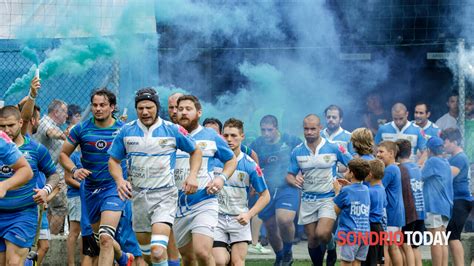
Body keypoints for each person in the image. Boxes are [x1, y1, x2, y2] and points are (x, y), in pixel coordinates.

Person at [108, 88, 202, 266]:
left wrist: (193, 176)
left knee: (158, 252)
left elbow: (195, 151)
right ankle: (131, 259)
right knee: (149, 257)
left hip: (164, 197)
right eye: (141, 108)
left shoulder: (172, 129)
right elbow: (113, 160)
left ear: (157, 108)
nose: (145, 112)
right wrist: (120, 180)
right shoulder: (126, 131)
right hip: (138, 199)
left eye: (149, 107)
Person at [59, 89, 136, 266]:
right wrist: (74, 170)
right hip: (90, 191)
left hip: (114, 188)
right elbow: (63, 154)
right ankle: (123, 258)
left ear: (112, 107)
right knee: (101, 239)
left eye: (102, 105)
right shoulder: (81, 129)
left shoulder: (124, 130)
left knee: (106, 237)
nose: (98, 109)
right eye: (94, 105)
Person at [174, 94, 237, 266]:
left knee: (202, 252)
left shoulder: (211, 135)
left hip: (204, 201)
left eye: (188, 109)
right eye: (180, 109)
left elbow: (231, 160)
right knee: (187, 258)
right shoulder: (171, 134)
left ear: (199, 112)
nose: (184, 113)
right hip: (177, 204)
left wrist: (221, 179)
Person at [287, 114, 351, 266]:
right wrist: (294, 180)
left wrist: (345, 180)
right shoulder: (297, 151)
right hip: (308, 199)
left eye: (313, 129)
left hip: (329, 198)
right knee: (312, 239)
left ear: (320, 128)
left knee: (322, 233)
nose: (309, 132)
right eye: (306, 129)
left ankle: (331, 246)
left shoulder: (334, 146)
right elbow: (289, 175)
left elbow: (353, 164)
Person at [213, 118, 270, 266]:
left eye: (234, 135)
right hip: (216, 218)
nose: (229, 139)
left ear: (242, 137)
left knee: (237, 263)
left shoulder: (250, 165)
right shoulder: (213, 160)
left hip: (239, 219)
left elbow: (265, 196)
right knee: (219, 261)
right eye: (226, 136)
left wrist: (249, 214)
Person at [250, 115, 302, 265]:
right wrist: (254, 183)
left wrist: (299, 174)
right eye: (263, 130)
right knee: (271, 227)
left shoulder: (291, 141)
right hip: (266, 189)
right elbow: (251, 164)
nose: (266, 133)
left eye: (269, 130)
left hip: (287, 187)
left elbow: (305, 156)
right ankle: (280, 256)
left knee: (284, 220)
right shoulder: (257, 144)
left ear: (276, 128)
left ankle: (288, 252)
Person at [35, 99, 69, 235]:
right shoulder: (45, 123)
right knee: (60, 208)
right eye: (64, 112)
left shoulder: (51, 123)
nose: (66, 116)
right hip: (50, 175)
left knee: (51, 209)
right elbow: (51, 132)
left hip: (51, 175)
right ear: (56, 112)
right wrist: (62, 135)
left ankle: (46, 236)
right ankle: (52, 238)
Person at [0, 128, 34, 265]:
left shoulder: (1, 139)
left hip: (21, 213)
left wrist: (4, 185)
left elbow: (26, 170)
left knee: (13, 263)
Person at [441, 128, 472, 266]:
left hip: (461, 201)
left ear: (454, 142)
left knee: (453, 237)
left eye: (445, 142)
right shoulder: (452, 157)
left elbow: (448, 176)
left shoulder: (460, 158)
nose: (444, 145)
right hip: (456, 201)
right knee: (451, 236)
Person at [333, 158, 371, 266]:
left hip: (350, 235)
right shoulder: (365, 189)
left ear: (352, 173)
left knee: (346, 262)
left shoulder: (346, 191)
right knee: (357, 262)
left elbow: (335, 210)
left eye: (347, 170)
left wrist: (337, 191)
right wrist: (349, 185)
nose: (345, 172)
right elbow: (355, 194)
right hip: (364, 234)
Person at [422, 136, 453, 266]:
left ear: (429, 150)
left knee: (435, 241)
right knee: (441, 240)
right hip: (446, 207)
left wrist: (422, 158)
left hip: (434, 206)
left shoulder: (432, 161)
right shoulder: (446, 162)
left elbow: (420, 176)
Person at [395, 139, 425, 266]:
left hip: (409, 213)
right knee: (414, 247)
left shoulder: (401, 169)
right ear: (410, 152)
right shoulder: (417, 167)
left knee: (404, 245)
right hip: (421, 211)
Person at [376, 141, 404, 266]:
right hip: (396, 213)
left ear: (391, 153)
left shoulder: (390, 169)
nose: (377, 155)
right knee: (393, 247)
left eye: (381, 151)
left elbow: (378, 186)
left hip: (391, 214)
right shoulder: (394, 167)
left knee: (386, 248)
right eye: (377, 151)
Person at [166, 92, 186, 266]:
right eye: (171, 108)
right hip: (167, 194)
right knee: (169, 234)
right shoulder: (162, 131)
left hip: (195, 197)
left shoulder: (197, 133)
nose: (174, 111)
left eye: (178, 108)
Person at [361, 159, 387, 266]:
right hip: (379, 226)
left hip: (370, 227)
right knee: (376, 259)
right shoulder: (382, 189)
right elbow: (384, 204)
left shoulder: (369, 191)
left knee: (368, 259)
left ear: (370, 174)